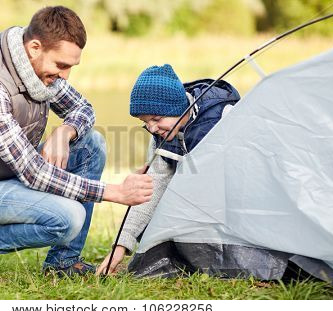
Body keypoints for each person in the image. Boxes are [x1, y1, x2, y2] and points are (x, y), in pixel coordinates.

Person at [0, 6, 153, 287]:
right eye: (61, 65)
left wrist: (65, 131)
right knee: (69, 218)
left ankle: (63, 263)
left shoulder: (38, 70)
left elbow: (83, 108)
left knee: (91, 143)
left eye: (70, 66)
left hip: (3, 179)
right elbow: (34, 173)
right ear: (34, 47)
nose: (65, 76)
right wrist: (115, 192)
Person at [97, 64, 240, 275]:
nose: (152, 128)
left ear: (179, 108)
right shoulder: (161, 136)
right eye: (145, 122)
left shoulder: (223, 117)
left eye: (156, 119)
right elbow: (150, 190)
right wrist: (120, 247)